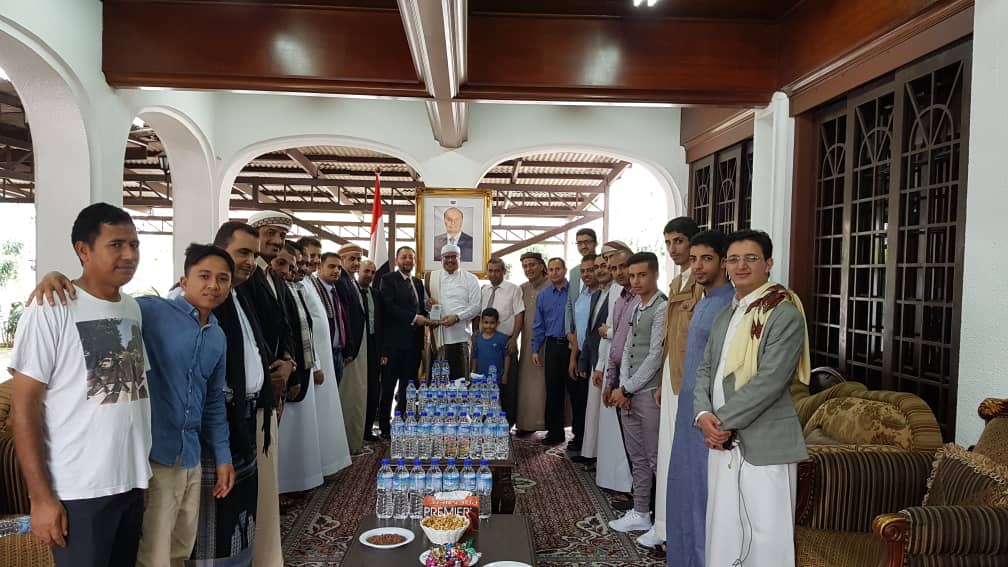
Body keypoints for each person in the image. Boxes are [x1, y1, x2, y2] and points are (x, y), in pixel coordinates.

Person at [10, 203, 150, 567]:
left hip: (129, 484)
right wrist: (41, 498)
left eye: (134, 245)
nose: (129, 255)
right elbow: (23, 408)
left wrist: (140, 477)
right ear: (83, 250)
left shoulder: (131, 308)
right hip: (78, 490)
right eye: (116, 245)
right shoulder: (50, 308)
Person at [694, 229, 811, 567]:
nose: (740, 266)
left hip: (765, 441)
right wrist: (703, 416)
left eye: (751, 258)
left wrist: (721, 423)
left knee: (766, 534)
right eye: (733, 259)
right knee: (724, 526)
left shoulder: (784, 313)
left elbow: (770, 381)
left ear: (768, 263)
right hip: (721, 439)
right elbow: (705, 370)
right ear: (726, 266)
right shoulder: (726, 315)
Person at [135, 244, 236, 567]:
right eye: (204, 276)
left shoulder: (217, 336)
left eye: (222, 279)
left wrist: (223, 456)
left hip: (191, 456)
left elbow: (213, 401)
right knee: (154, 554)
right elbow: (104, 304)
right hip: (156, 455)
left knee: (181, 548)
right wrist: (60, 282)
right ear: (183, 281)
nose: (213, 285)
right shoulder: (152, 311)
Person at [666, 230, 734, 567]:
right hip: (689, 410)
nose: (697, 266)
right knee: (685, 487)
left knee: (704, 493)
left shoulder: (730, 304)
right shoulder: (704, 300)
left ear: (722, 262)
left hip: (710, 412)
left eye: (706, 259)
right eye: (693, 259)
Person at [242, 210, 299, 567]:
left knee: (267, 468)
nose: (277, 241)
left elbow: (284, 325)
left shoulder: (273, 276)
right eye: (270, 234)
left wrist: (289, 361)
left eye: (281, 236)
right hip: (255, 388)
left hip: (275, 381)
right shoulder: (245, 277)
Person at [644, 216, 701, 550]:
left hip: (689, 377)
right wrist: (661, 381)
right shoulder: (678, 280)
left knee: (681, 453)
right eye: (668, 242)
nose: (672, 248)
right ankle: (664, 524)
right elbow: (670, 337)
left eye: (678, 240)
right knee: (666, 450)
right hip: (670, 374)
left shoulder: (702, 283)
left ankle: (676, 528)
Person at [608, 252, 667, 535]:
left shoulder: (662, 306)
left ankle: (664, 522)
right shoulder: (636, 307)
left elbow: (656, 355)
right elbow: (627, 348)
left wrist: (628, 388)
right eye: (632, 276)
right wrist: (622, 387)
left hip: (650, 392)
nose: (635, 281)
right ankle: (641, 512)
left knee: (656, 459)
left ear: (655, 274)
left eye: (642, 275)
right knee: (638, 457)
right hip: (629, 393)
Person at [271, 242, 324, 495]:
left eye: (295, 265)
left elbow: (304, 332)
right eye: (284, 264)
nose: (293, 270)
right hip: (285, 373)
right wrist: (293, 373)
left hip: (300, 366)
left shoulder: (296, 289)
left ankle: (295, 482)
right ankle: (282, 487)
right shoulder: (279, 290)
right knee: (284, 435)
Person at [297, 238, 352, 476]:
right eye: (310, 256)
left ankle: (325, 464)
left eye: (316, 256)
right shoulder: (300, 283)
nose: (312, 260)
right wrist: (315, 364)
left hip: (327, 357)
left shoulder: (309, 282)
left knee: (327, 414)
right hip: (314, 362)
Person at [592, 243, 633, 496]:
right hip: (611, 365)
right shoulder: (616, 292)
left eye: (621, 266)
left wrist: (608, 332)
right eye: (612, 266)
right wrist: (601, 365)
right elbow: (609, 332)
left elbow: (620, 332)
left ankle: (627, 484)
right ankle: (611, 479)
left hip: (629, 372)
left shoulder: (644, 295)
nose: (617, 271)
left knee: (626, 432)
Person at [379, 246, 431, 437]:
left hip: (414, 345)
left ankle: (400, 421)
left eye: (411, 257)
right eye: (404, 257)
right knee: (388, 387)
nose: (408, 260)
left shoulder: (417, 282)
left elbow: (420, 310)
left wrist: (431, 310)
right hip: (393, 345)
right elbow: (389, 307)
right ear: (397, 260)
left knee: (408, 387)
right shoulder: (388, 279)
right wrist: (414, 318)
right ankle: (384, 427)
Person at [530, 257, 573, 446]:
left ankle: (579, 436)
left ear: (565, 270)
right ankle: (555, 433)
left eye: (558, 269)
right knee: (553, 390)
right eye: (551, 269)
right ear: (547, 272)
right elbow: (538, 324)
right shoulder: (543, 295)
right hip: (552, 346)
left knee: (575, 391)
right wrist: (535, 349)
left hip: (573, 346)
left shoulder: (575, 292)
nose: (555, 272)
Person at [478, 257, 524, 426]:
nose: (493, 274)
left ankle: (507, 422)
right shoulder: (484, 290)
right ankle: (486, 420)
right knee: (485, 384)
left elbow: (519, 314)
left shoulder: (513, 289)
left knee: (506, 384)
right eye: (490, 270)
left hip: (506, 344)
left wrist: (514, 338)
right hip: (486, 344)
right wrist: (476, 334)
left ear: (504, 271)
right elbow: (479, 314)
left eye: (497, 271)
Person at [575, 253, 611, 464]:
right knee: (593, 411)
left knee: (602, 413)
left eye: (603, 266)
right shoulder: (596, 295)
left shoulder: (615, 294)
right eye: (595, 267)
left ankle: (600, 459)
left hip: (608, 361)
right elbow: (589, 332)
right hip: (594, 359)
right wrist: (583, 359)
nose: (599, 271)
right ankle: (591, 455)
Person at [425, 244, 481, 379]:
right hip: (437, 337)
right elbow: (425, 306)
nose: (450, 260)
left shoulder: (471, 279)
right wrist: (428, 305)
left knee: (459, 382)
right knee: (437, 383)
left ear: (459, 258)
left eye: (453, 257)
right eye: (446, 257)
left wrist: (457, 317)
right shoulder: (431, 278)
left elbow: (476, 307)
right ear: (441, 259)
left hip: (460, 338)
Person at [333, 243, 368, 454]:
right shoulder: (341, 282)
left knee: (357, 394)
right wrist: (349, 350)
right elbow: (344, 319)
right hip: (350, 349)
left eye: (358, 259)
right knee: (349, 396)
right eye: (351, 259)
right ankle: (347, 445)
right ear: (342, 260)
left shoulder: (350, 281)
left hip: (357, 345)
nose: (356, 263)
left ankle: (354, 442)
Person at [565, 253, 597, 453]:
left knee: (589, 404)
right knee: (577, 400)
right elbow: (578, 329)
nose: (586, 274)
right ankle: (579, 439)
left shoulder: (601, 296)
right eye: (583, 271)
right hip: (579, 353)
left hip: (594, 357)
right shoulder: (582, 294)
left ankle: (589, 446)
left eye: (590, 270)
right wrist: (573, 358)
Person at [516, 252, 550, 435]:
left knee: (546, 384)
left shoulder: (553, 284)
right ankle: (526, 423)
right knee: (527, 383)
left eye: (532, 265)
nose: (529, 269)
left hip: (549, 341)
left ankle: (547, 424)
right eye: (525, 266)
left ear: (542, 266)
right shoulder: (522, 289)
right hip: (528, 341)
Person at [358, 259, 385, 442]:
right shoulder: (351, 292)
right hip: (358, 345)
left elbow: (382, 324)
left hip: (374, 345)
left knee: (374, 388)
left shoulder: (376, 294)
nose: (369, 275)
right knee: (358, 388)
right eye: (366, 271)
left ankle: (367, 429)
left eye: (373, 272)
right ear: (359, 271)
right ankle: (356, 429)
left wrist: (383, 351)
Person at [470, 307, 511, 383]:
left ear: (497, 323)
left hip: (497, 379)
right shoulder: (477, 339)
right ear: (481, 322)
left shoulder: (503, 338)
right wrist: (473, 372)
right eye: (486, 322)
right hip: (480, 379)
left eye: (492, 323)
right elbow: (474, 357)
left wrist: (505, 374)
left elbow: (507, 356)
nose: (488, 326)